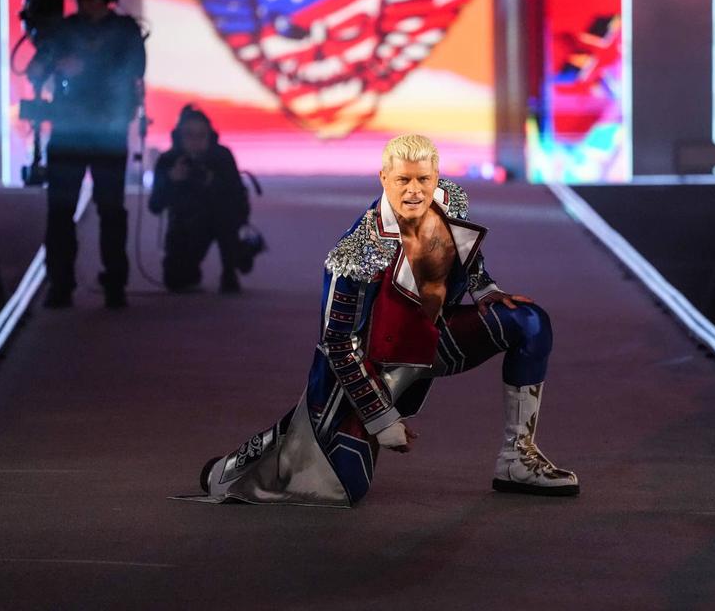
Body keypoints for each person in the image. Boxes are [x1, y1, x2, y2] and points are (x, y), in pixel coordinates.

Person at [188, 134, 578, 507]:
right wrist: (381, 418)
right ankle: (226, 472)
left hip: (431, 340)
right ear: (383, 179)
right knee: (341, 486)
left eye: (423, 179)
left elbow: (460, 255)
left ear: (437, 177)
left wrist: (486, 289)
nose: (414, 191)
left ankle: (518, 459)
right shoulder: (356, 254)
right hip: (369, 371)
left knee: (528, 322)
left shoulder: (451, 199)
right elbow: (338, 344)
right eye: (402, 180)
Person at [27, 0, 146, 309]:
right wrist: (48, 53)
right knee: (60, 211)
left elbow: (135, 69)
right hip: (67, 130)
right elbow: (36, 70)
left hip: (108, 130)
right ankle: (60, 283)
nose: (86, 3)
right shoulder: (63, 30)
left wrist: (85, 66)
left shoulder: (125, 30)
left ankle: (114, 283)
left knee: (111, 210)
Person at [148, 105, 252, 293]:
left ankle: (230, 269)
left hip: (219, 222)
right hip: (185, 227)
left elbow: (240, 202)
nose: (195, 141)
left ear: (210, 136)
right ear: (178, 136)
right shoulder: (168, 160)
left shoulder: (221, 157)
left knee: (225, 213)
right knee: (176, 280)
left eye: (201, 135)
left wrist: (213, 182)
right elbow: (155, 206)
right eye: (189, 135)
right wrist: (171, 180)